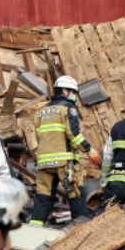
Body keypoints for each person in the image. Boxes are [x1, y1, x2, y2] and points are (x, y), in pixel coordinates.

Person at [28, 76, 100, 225]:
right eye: (73, 92)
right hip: (64, 162)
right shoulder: (68, 108)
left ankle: (34, 228)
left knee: (43, 197)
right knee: (75, 194)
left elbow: (38, 136)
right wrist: (89, 150)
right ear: (65, 91)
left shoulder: (41, 111)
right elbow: (72, 134)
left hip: (44, 163)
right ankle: (81, 228)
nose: (74, 96)